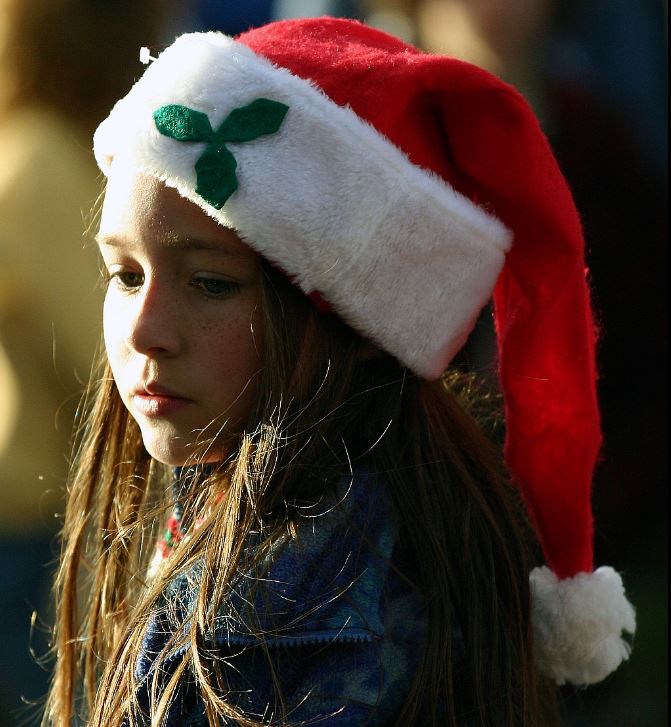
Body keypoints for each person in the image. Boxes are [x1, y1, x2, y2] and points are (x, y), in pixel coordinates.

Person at [42, 17, 636, 727]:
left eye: (209, 283)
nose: (144, 330)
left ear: (353, 323)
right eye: (125, 274)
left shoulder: (320, 609)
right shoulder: (240, 504)